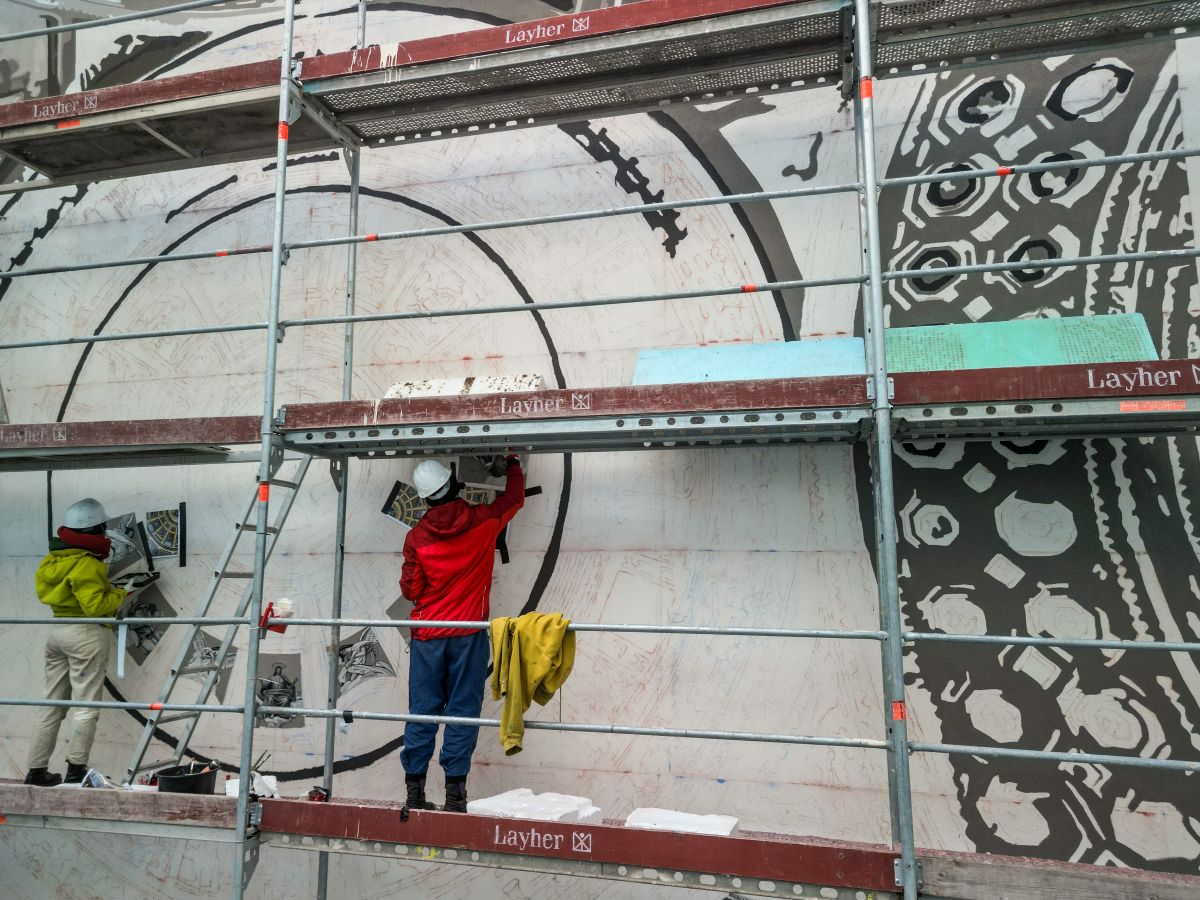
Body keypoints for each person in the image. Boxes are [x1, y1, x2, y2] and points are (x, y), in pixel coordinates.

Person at [400, 455, 524, 812]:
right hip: (468, 635)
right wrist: (512, 464)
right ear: (454, 484)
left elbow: (411, 590)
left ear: (425, 497)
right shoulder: (484, 520)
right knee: (462, 712)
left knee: (422, 713)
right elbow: (514, 498)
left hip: (428, 635)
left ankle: (414, 795)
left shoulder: (416, 538)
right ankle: (455, 798)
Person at [25, 498, 130, 786]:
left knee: (52, 704)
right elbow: (95, 606)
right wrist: (122, 593)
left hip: (57, 631)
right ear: (96, 530)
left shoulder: (52, 560)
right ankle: (76, 769)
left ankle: (36, 771)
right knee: (86, 705)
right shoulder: (87, 563)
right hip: (86, 634)